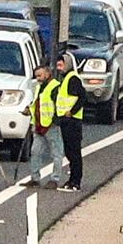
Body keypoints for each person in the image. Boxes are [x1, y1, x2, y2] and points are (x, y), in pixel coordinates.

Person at [38, 54, 89, 192]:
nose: (60, 68)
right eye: (58, 65)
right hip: (66, 121)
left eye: (62, 65)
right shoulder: (65, 79)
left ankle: (75, 181)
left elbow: (82, 97)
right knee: (69, 151)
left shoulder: (72, 79)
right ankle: (72, 180)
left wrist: (72, 111)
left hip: (72, 121)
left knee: (74, 152)